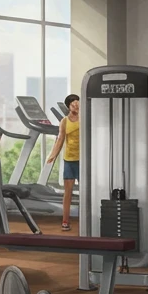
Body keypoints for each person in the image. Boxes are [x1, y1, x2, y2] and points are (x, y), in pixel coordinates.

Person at [46, 95, 81, 231]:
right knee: (68, 192)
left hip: (82, 160)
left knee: (85, 192)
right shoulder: (64, 121)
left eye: (78, 104)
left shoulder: (84, 119)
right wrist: (53, 155)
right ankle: (65, 221)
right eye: (73, 105)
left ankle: (86, 220)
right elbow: (60, 139)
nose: (76, 107)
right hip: (69, 160)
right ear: (68, 107)